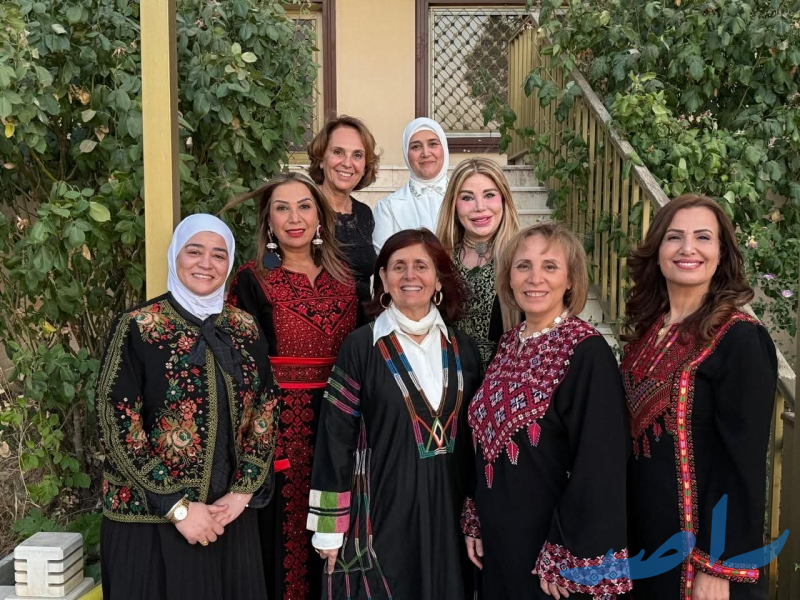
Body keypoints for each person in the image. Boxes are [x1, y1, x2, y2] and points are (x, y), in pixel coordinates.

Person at [97, 214, 279, 600]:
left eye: (219, 255)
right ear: (175, 256)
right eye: (194, 251)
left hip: (227, 518)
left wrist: (242, 492)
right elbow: (116, 422)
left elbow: (265, 409)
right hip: (150, 522)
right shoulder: (138, 326)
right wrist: (176, 506)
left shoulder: (245, 328)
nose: (206, 263)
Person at [307, 229, 483, 600]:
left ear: (438, 280)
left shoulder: (464, 350)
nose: (410, 275)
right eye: (398, 266)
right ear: (383, 279)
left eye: (421, 265)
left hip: (449, 514)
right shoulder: (361, 347)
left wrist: (476, 516)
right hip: (381, 512)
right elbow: (335, 438)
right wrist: (329, 526)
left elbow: (476, 444)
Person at [620, 194, 778, 600]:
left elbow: (741, 462)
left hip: (699, 562)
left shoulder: (739, 339)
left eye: (703, 237)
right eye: (674, 237)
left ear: (721, 254)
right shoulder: (647, 332)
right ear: (657, 252)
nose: (687, 248)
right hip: (643, 544)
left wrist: (717, 565)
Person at [463, 223, 633, 600]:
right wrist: (475, 514)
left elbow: (600, 464)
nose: (534, 278)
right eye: (523, 265)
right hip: (500, 543)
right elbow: (485, 441)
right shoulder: (507, 344)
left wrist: (567, 553)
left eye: (550, 266)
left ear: (570, 280)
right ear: (509, 277)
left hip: (552, 556)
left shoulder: (587, 352)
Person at [224, 172, 360, 600]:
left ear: (320, 216)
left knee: (338, 533)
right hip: (279, 430)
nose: (294, 218)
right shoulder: (251, 280)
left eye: (304, 206)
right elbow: (240, 367)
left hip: (340, 425)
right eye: (282, 209)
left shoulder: (347, 279)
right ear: (268, 221)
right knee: (284, 539)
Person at [436, 158, 521, 368]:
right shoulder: (438, 259)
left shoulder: (523, 259)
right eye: (467, 197)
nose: (480, 207)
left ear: (504, 200)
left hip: (506, 376)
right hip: (447, 377)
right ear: (454, 205)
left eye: (489, 195)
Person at [308, 115, 379, 305]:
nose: (347, 163)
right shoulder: (304, 208)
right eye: (338, 152)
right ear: (321, 159)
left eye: (357, 155)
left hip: (362, 320)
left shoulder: (364, 213)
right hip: (314, 319)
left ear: (365, 166)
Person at [372, 118, 450, 253]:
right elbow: (384, 258)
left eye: (433, 144)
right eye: (416, 147)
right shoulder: (388, 207)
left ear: (444, 147)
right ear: (406, 153)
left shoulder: (465, 197)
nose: (426, 153)